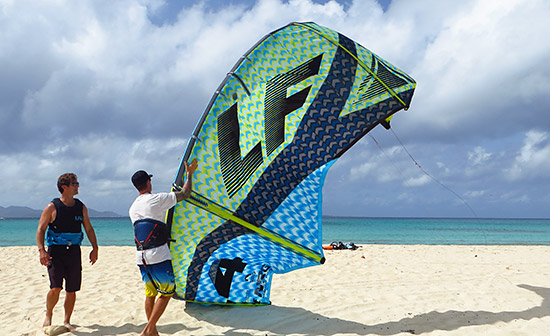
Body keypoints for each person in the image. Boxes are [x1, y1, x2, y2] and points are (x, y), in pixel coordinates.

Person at [129, 159, 198, 336]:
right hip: (158, 253)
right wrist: (189, 174)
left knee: (150, 293)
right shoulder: (157, 199)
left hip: (141, 256)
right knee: (167, 292)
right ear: (148, 182)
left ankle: (153, 332)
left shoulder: (133, 207)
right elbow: (185, 193)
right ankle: (148, 330)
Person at [36, 173, 99, 332]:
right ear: (64, 187)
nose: (78, 186)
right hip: (55, 252)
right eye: (74, 183)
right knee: (55, 288)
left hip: (74, 252)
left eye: (77, 183)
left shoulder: (80, 206)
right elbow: (41, 229)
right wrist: (41, 250)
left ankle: (66, 321)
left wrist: (95, 247)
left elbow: (89, 228)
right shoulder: (52, 207)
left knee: (72, 290)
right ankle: (49, 314)